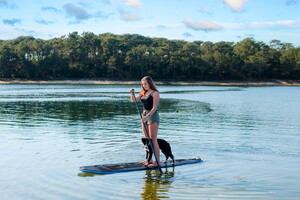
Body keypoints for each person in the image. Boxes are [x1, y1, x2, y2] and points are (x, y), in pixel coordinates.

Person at [130, 76, 160, 167]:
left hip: (152, 115)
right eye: (143, 84)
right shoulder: (143, 92)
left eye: (145, 84)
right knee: (146, 139)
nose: (144, 85)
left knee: (153, 139)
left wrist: (147, 116)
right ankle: (149, 159)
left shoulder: (155, 93)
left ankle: (157, 161)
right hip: (144, 114)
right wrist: (132, 93)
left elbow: (154, 108)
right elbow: (133, 100)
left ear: (150, 83)